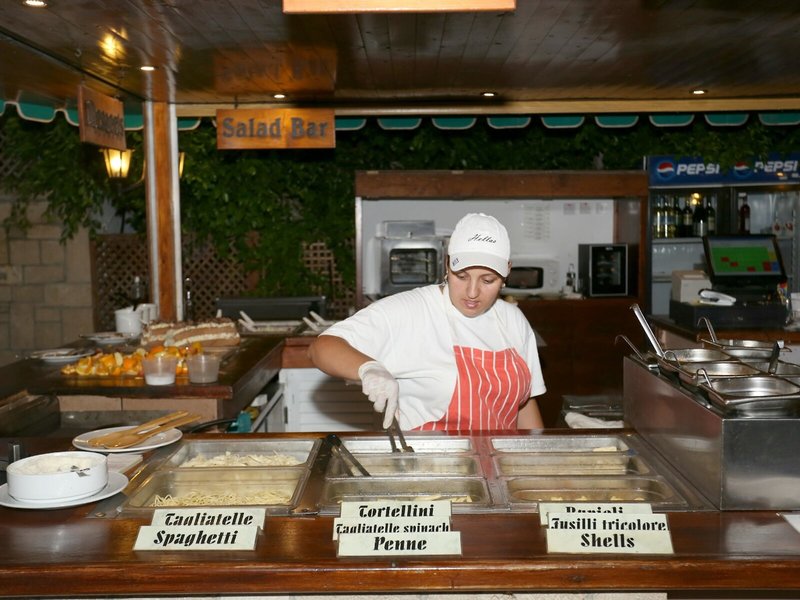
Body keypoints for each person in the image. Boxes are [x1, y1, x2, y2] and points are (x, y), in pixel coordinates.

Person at [308, 212, 545, 431]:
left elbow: (523, 405)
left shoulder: (513, 320)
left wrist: (537, 455)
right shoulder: (411, 311)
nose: (472, 292)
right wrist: (369, 368)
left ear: (506, 273)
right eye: (462, 276)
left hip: (500, 460)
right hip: (430, 459)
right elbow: (322, 347)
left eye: (488, 280)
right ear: (447, 265)